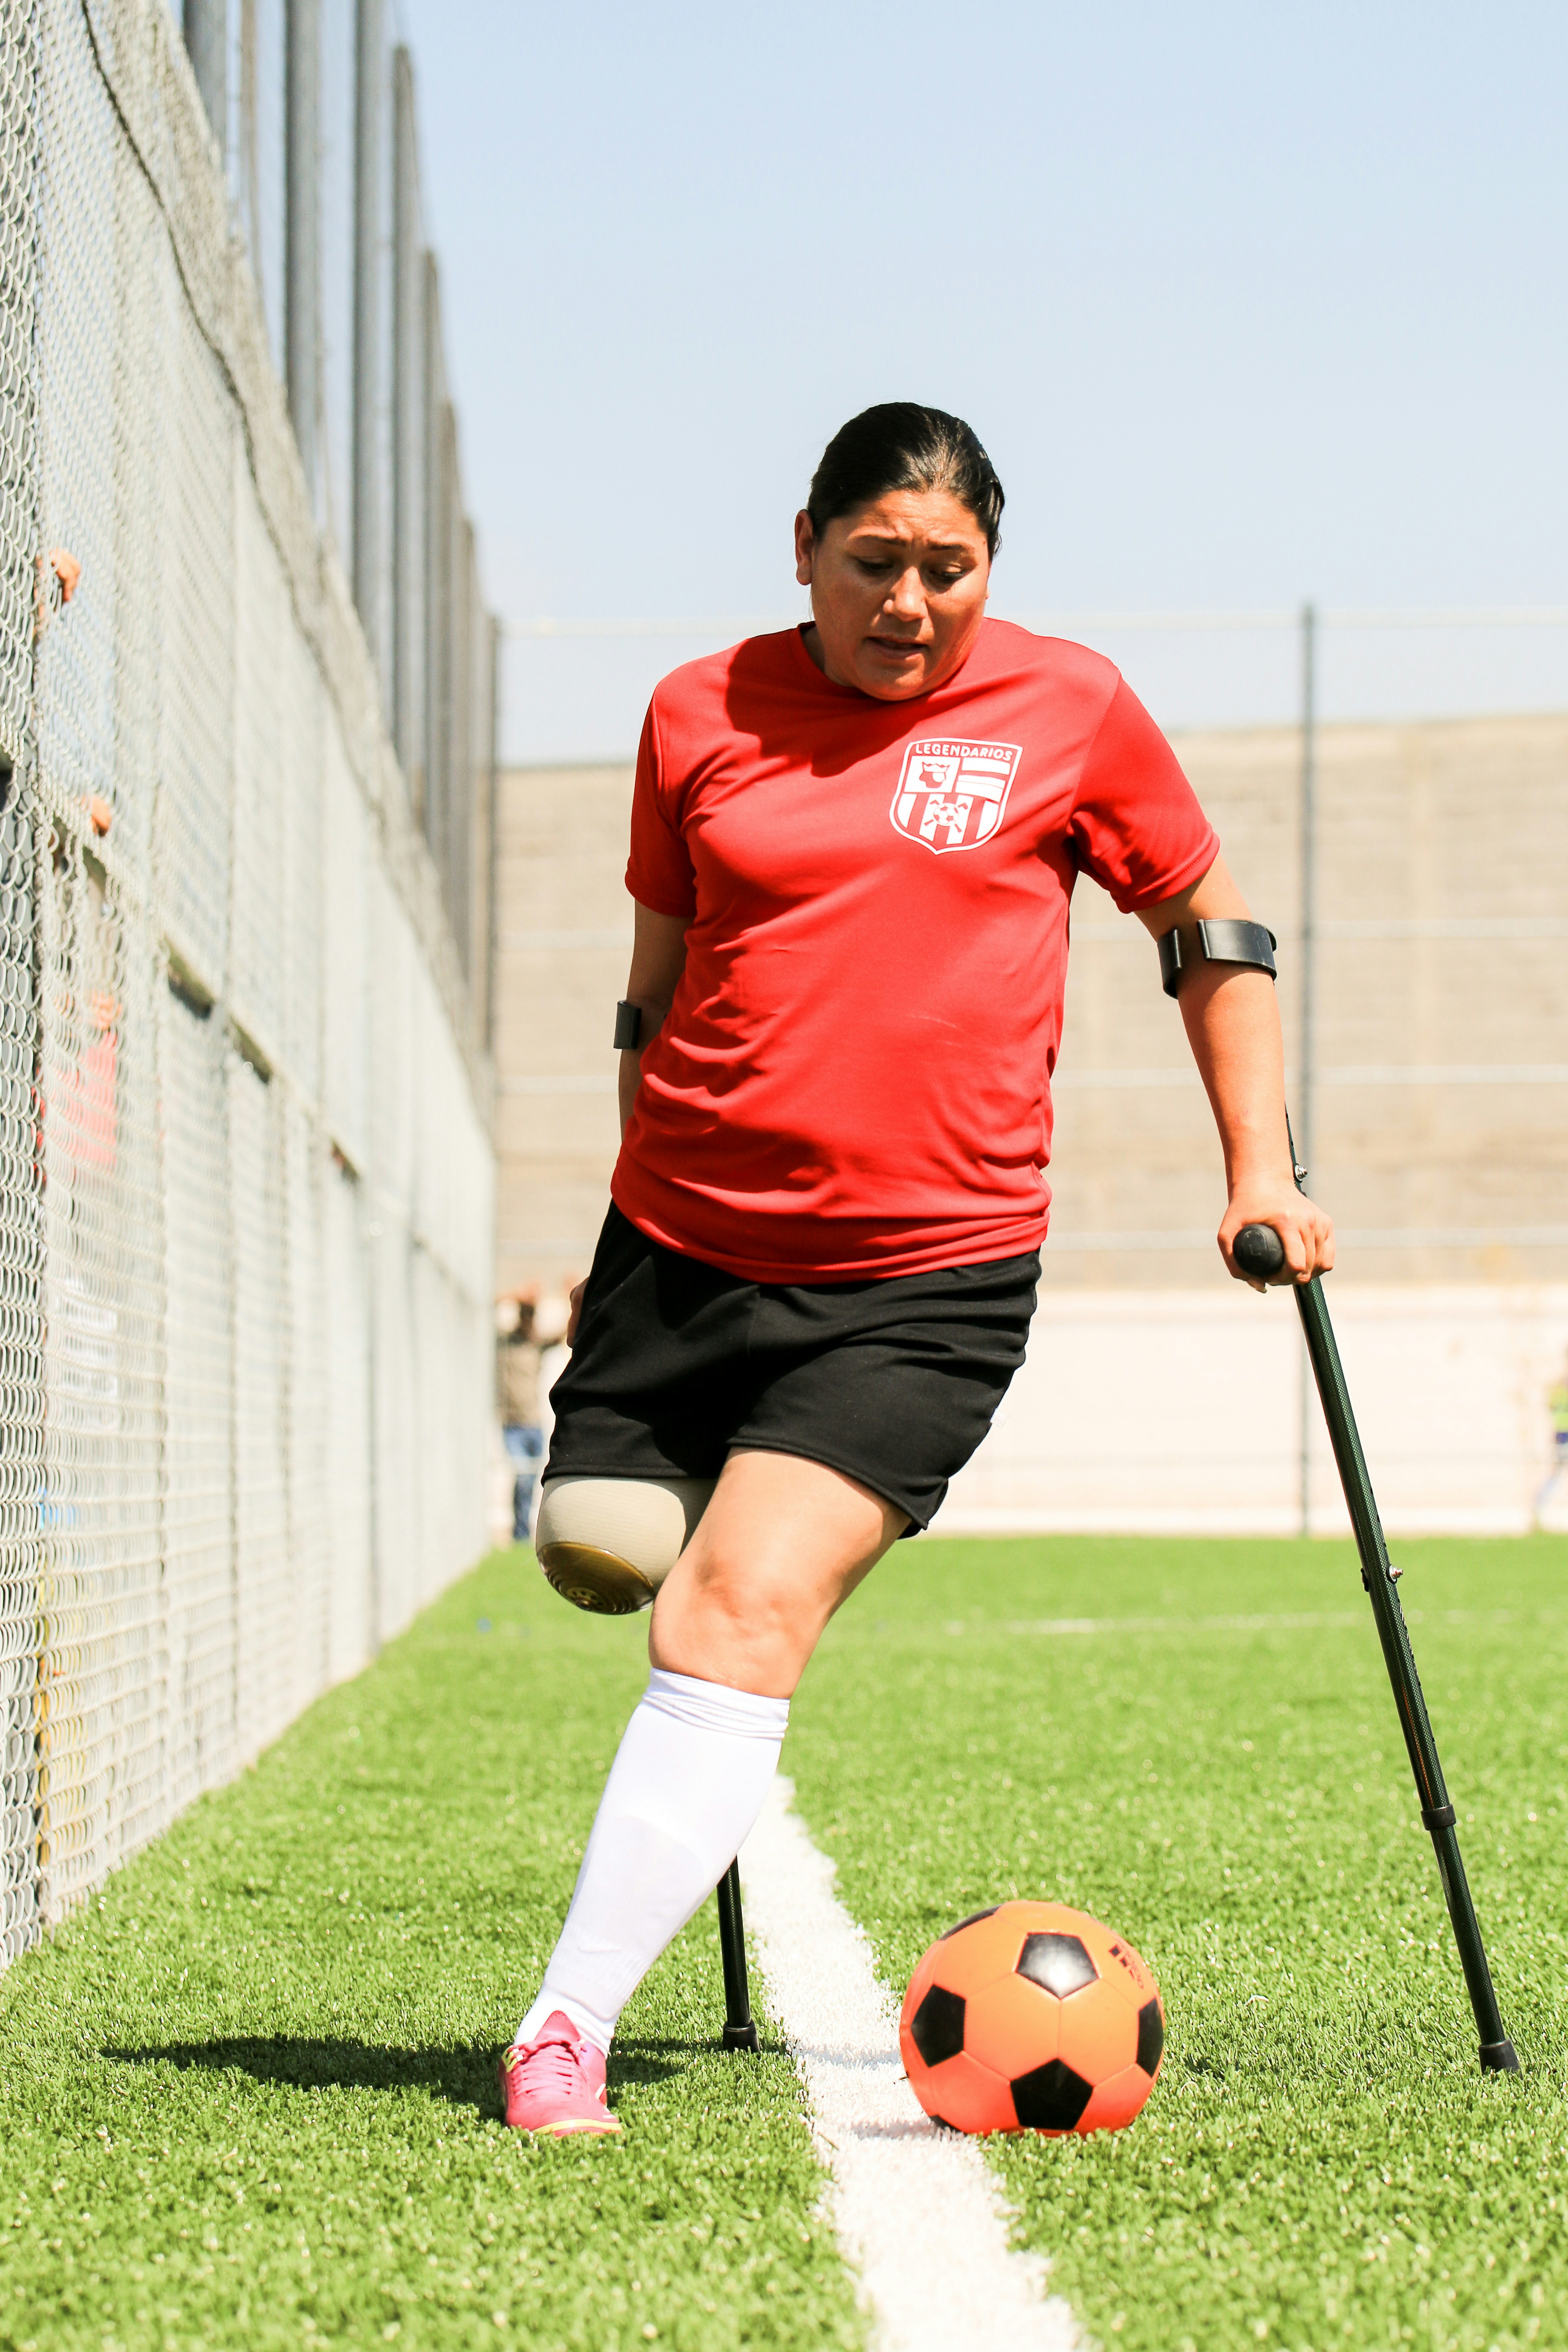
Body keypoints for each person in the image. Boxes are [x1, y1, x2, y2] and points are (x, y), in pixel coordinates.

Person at [499, 402, 1334, 2136]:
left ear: (991, 573)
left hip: (924, 1277)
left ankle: (562, 2030)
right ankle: (646, 1506)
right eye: (875, 563)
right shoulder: (695, 714)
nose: (912, 603)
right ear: (800, 549)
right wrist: (627, 1202)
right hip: (677, 1247)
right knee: (601, 1555)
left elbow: (1213, 932)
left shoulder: (1070, 707)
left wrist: (1262, 1169)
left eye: (950, 571)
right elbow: (658, 988)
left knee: (736, 1604)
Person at [496, 1296, 545, 1542]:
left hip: (534, 1424)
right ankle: (521, 1532)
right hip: (513, 1425)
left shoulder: (536, 1344)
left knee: (532, 1480)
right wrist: (510, 1294)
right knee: (522, 1477)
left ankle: (522, 1531)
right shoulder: (505, 1344)